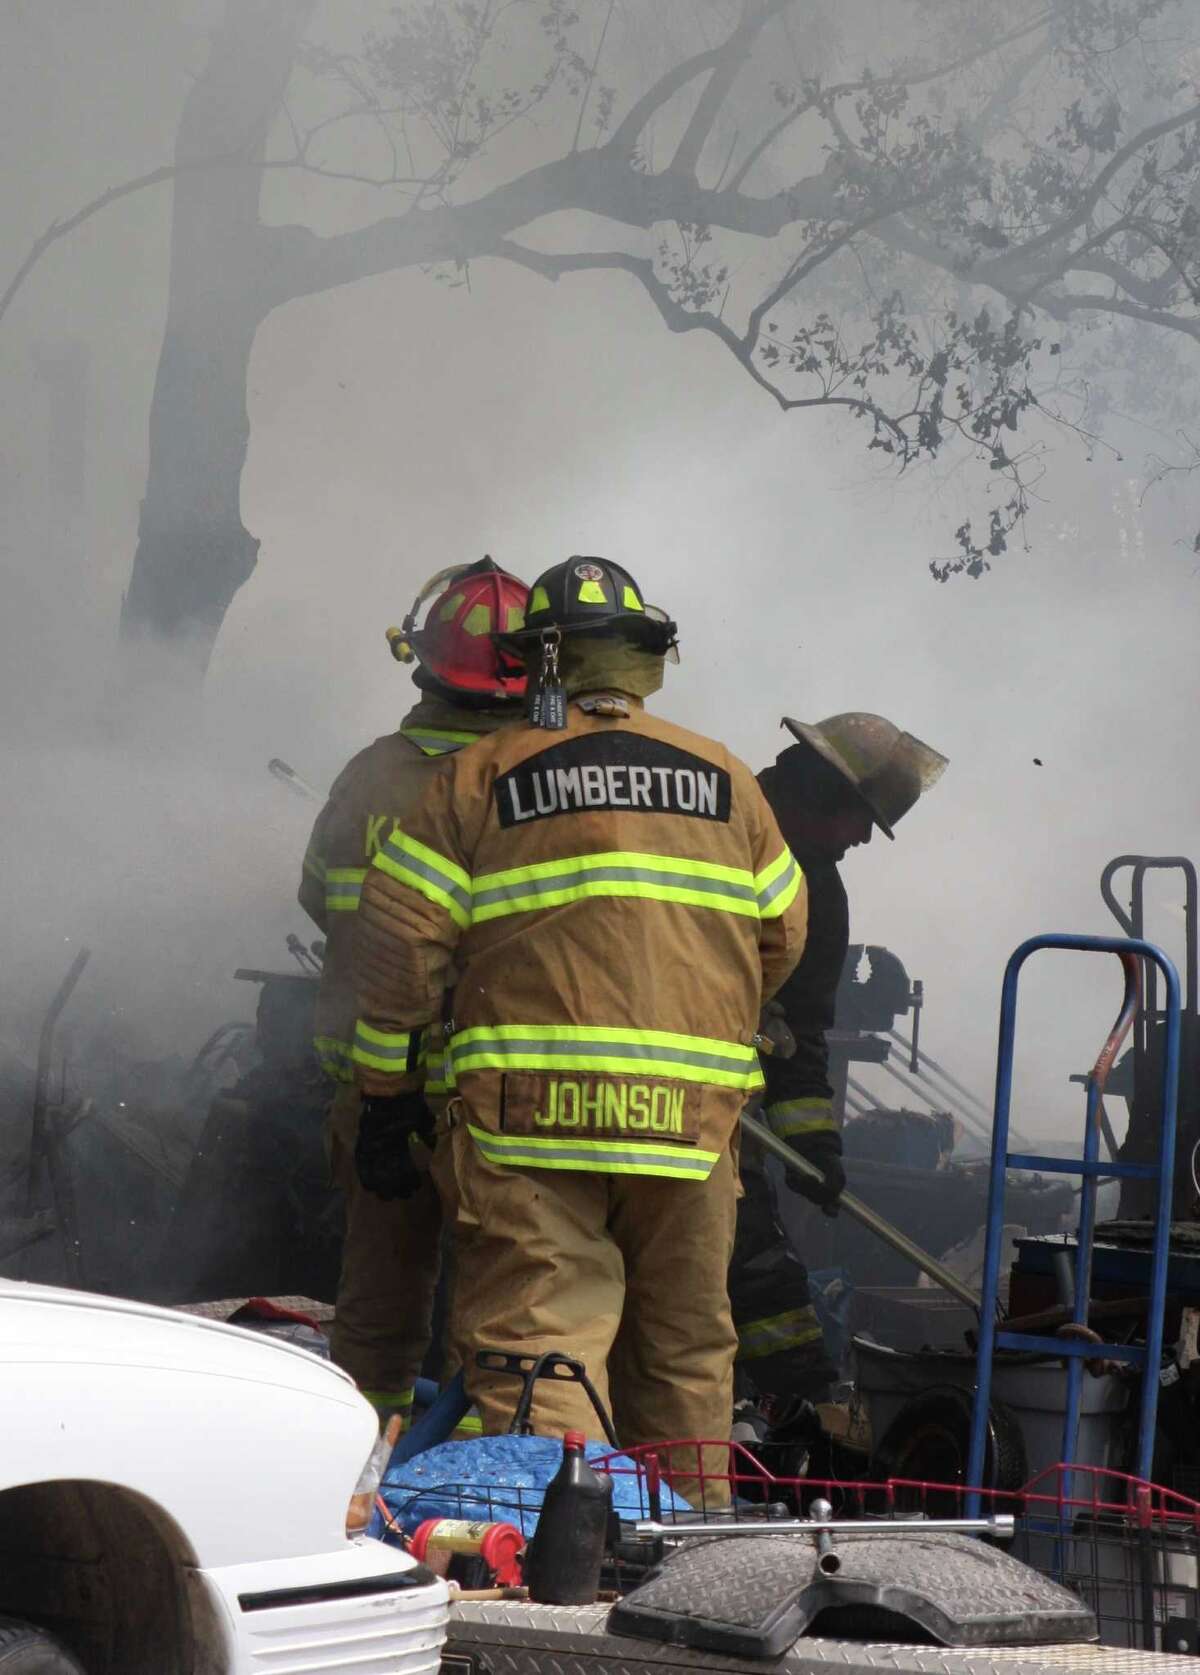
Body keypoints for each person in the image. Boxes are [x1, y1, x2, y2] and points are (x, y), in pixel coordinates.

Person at [350, 557, 807, 1450]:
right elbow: (782, 938)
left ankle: (554, 1572)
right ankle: (688, 1562)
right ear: (643, 656)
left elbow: (400, 945)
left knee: (539, 1351)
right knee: (684, 1353)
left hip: (530, 1122)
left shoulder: (477, 778)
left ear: (542, 664)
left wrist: (385, 1093)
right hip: (688, 1125)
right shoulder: (729, 781)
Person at [299, 557, 529, 1424]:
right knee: (500, 1324)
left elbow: (319, 897)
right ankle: (476, 1505)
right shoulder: (530, 783)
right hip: (491, 1098)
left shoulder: (368, 774)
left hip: (373, 1089)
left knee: (377, 1315)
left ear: (424, 663)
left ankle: (357, 1478)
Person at [730, 713, 948, 1408]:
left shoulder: (817, 891)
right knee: (749, 1263)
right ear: (823, 792)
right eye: (860, 818)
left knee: (748, 1265)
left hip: (718, 1108)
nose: (861, 838)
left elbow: (799, 1030)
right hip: (655, 1095)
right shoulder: (713, 827)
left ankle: (797, 1414)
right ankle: (804, 1414)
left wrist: (812, 1138)